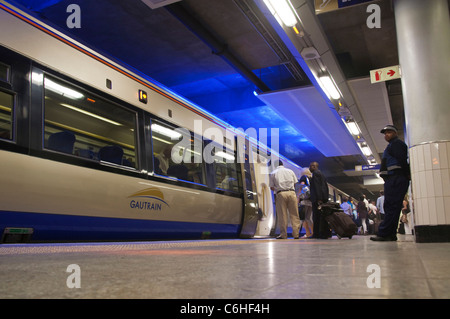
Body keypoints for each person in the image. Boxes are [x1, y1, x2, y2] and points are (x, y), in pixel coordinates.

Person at [371, 125, 410, 242]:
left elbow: (402, 160)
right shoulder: (392, 145)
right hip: (394, 178)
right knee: (392, 206)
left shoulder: (397, 144)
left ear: (395, 133)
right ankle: (390, 234)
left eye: (389, 132)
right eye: (385, 133)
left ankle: (384, 233)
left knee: (391, 206)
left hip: (396, 177)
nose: (386, 135)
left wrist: (406, 174)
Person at [269, 160, 301, 239]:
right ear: (282, 164)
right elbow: (294, 183)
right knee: (294, 214)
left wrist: (278, 190)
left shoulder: (273, 173)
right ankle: (296, 234)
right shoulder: (290, 171)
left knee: (282, 215)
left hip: (281, 194)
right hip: (291, 193)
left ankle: (283, 234)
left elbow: (271, 187)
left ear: (275, 165)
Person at [309, 161, 330, 239]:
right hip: (321, 198)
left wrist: (319, 199)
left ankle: (317, 234)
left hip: (318, 199)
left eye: (311, 166)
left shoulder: (316, 174)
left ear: (314, 166)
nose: (310, 168)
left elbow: (317, 187)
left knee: (316, 217)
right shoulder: (321, 173)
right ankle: (324, 233)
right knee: (321, 217)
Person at [297, 168, 313, 238]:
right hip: (310, 201)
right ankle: (312, 232)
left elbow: (302, 186)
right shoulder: (311, 178)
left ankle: (308, 233)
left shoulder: (303, 177)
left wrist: (298, 197)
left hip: (304, 201)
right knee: (308, 218)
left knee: (303, 218)